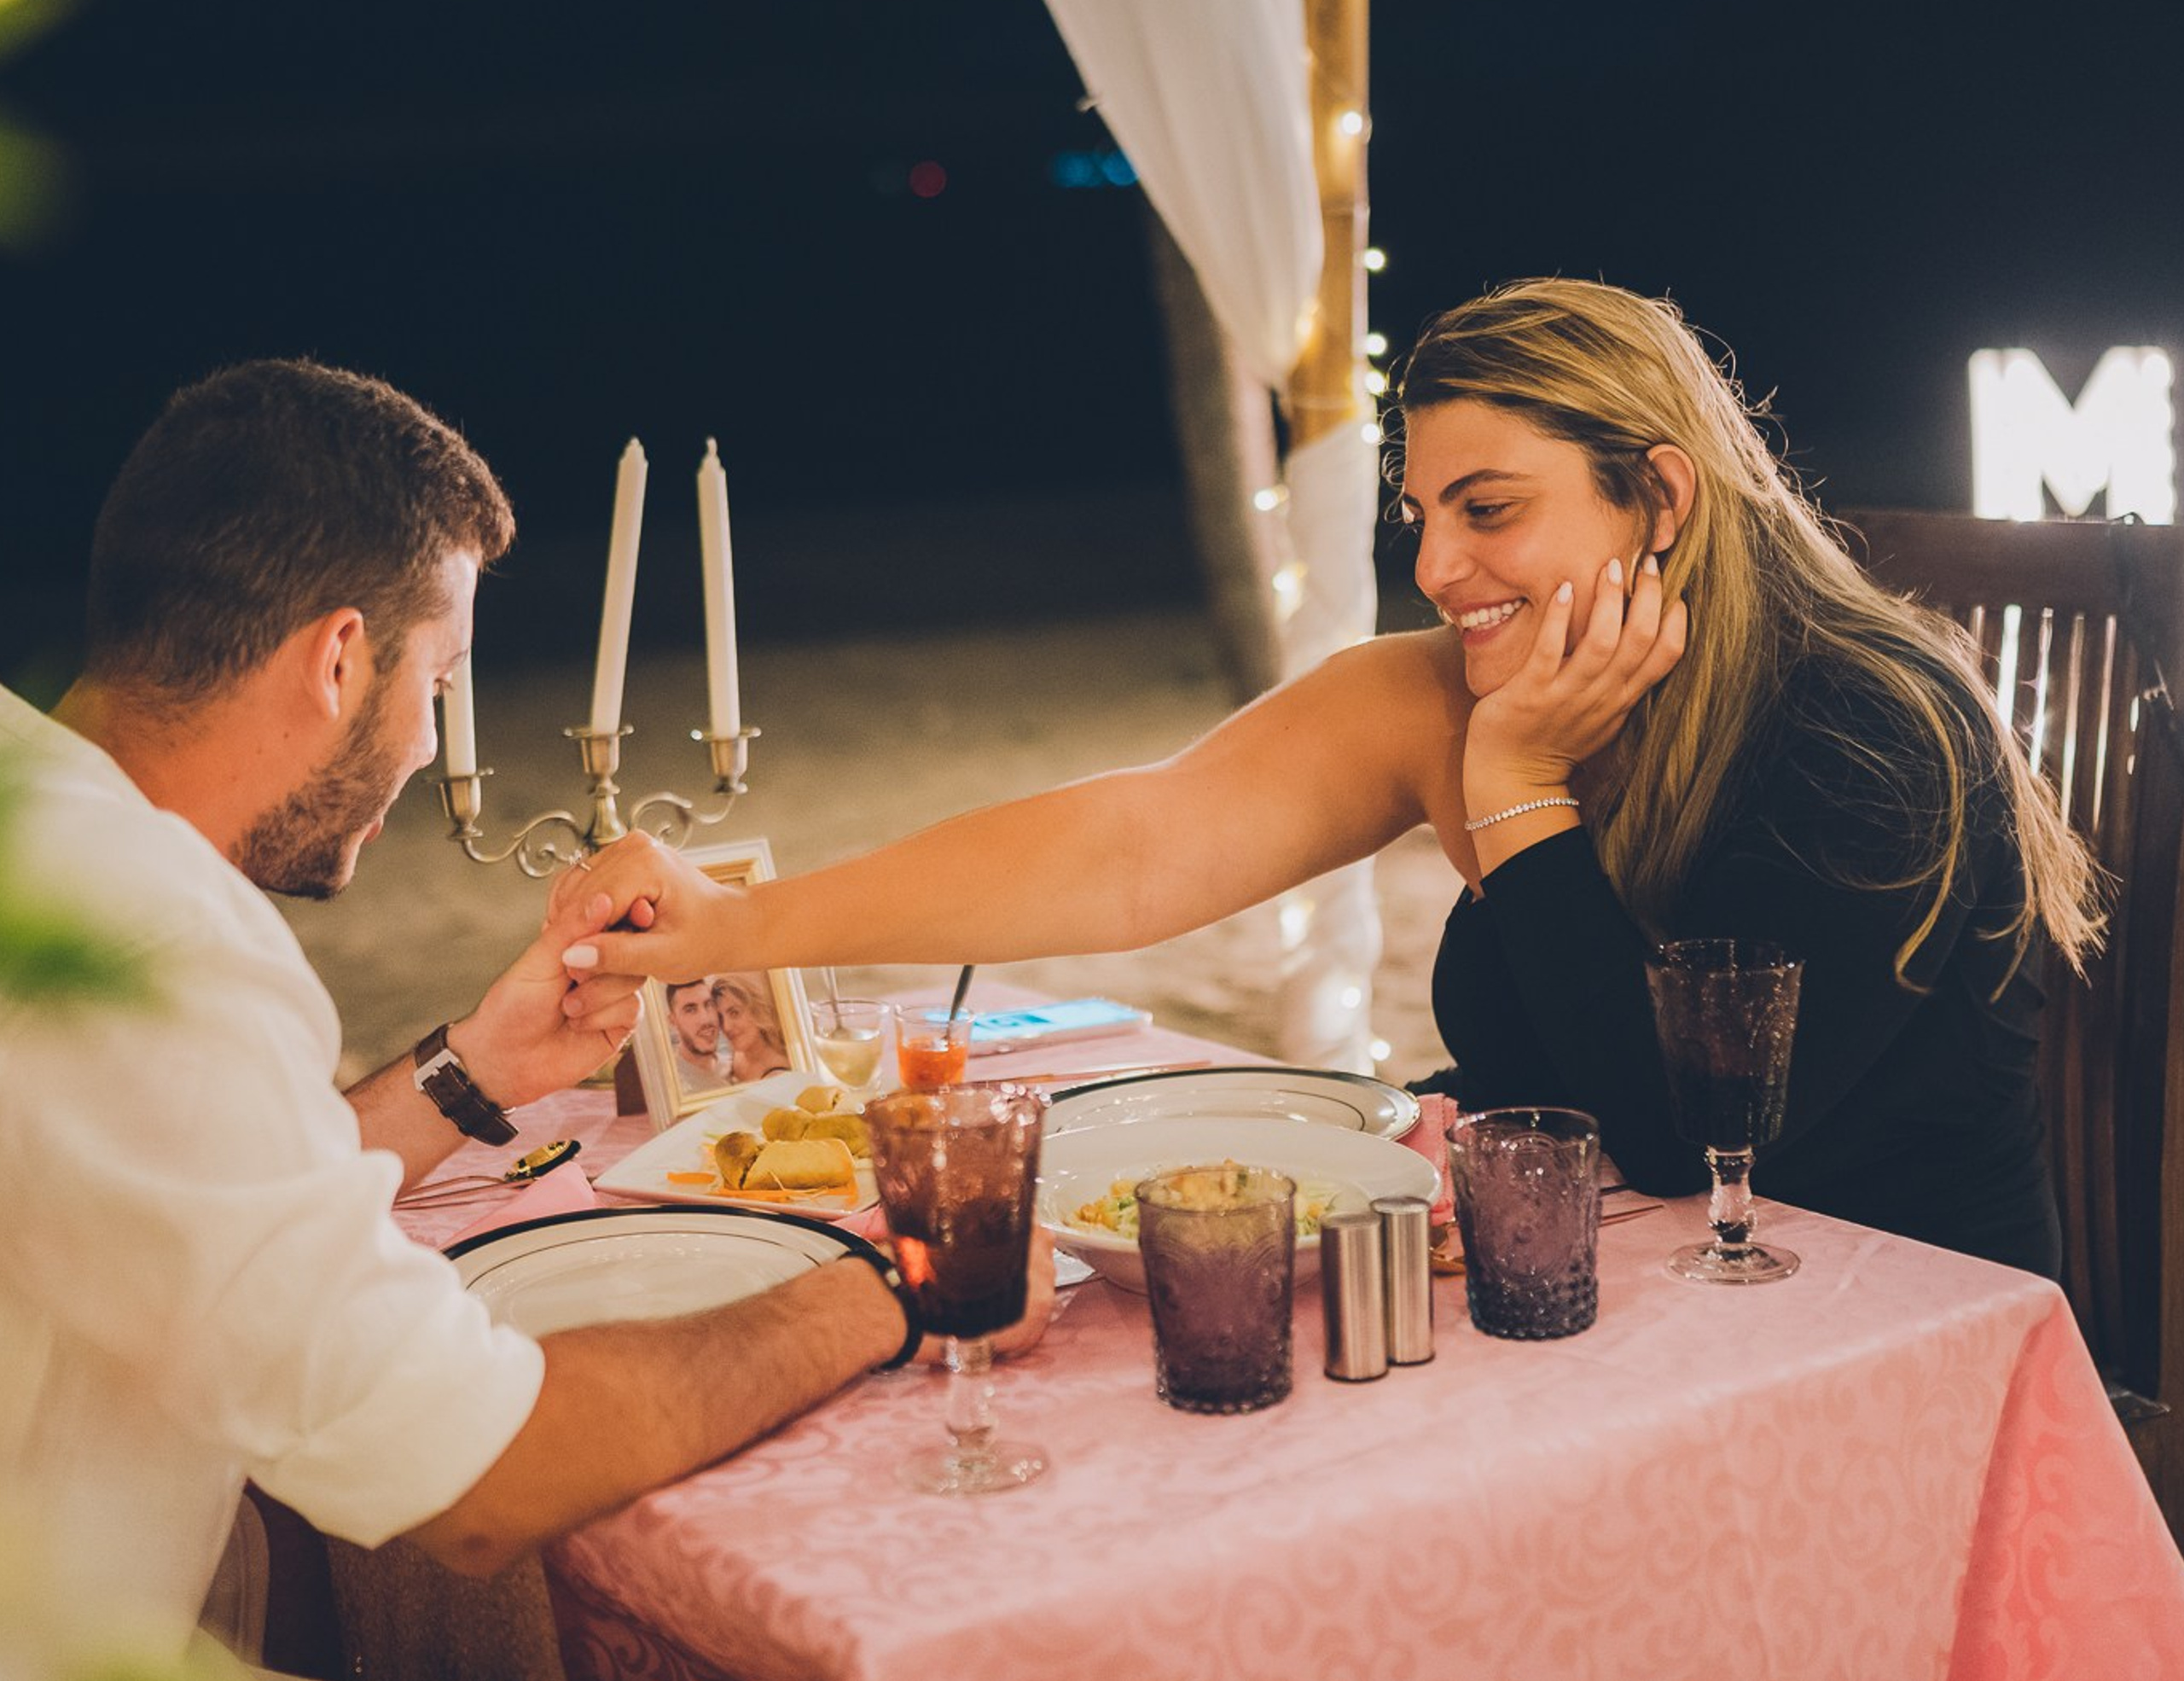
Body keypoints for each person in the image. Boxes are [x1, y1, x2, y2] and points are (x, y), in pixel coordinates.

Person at [570, 278, 2100, 1281]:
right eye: (1422, 511)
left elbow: (1687, 1137)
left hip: (1874, 1337)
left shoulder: (1869, 735)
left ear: (1663, 498)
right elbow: (1136, 847)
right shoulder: (1443, 693)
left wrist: (1515, 788)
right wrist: (723, 929)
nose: (1437, 568)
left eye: (1489, 508)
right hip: (1569, 1306)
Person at [0, 360, 1049, 1665]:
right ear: (338, 658)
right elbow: (480, 1478)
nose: (433, 744)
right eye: (435, 683)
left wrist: (476, 1070)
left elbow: (188, 1173)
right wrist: (894, 1285)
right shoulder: (158, 939)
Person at [713, 972, 791, 1082]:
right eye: (720, 1018)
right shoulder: (737, 1054)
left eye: (735, 1013)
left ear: (756, 1012)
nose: (726, 1027)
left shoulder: (778, 1075)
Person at [665, 977, 725, 1086]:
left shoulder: (734, 1068)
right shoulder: (671, 1083)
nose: (705, 1019)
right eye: (690, 1010)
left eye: (709, 1005)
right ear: (673, 1021)